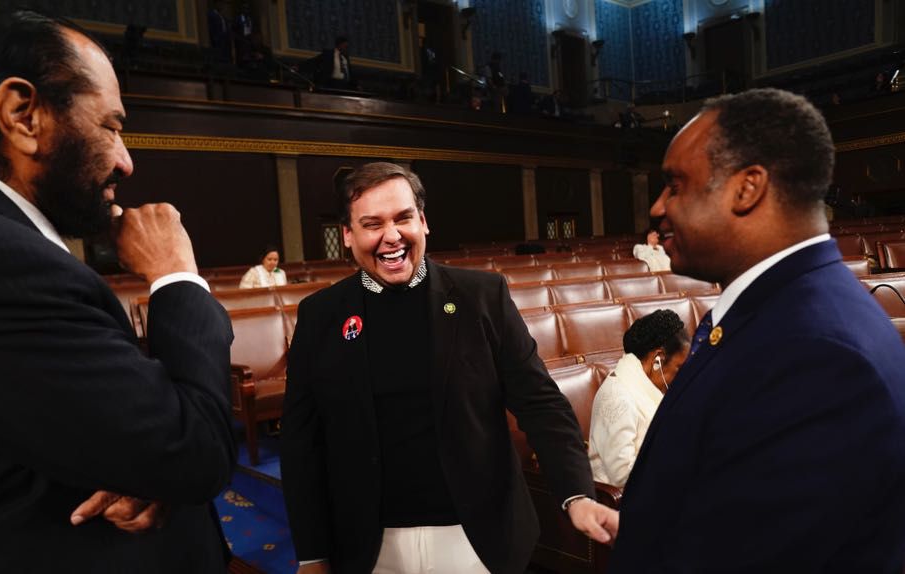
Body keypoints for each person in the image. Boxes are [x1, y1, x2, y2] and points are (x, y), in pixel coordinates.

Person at [0, 6, 237, 572]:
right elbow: (194, 454)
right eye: (111, 126)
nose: (125, 160)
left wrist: (132, 460)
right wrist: (177, 276)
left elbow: (28, 419)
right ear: (22, 114)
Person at [610, 88, 905, 571]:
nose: (658, 208)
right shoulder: (778, 308)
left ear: (747, 188)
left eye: (675, 185)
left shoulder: (815, 353)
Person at [281, 162, 617, 574]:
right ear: (348, 235)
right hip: (367, 544)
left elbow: (541, 404)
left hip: (476, 539)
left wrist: (575, 494)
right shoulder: (320, 316)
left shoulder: (481, 297)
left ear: (423, 222)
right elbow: (301, 446)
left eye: (403, 218)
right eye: (372, 224)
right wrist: (312, 554)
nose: (392, 236)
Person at [588, 310, 688, 488]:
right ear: (658, 358)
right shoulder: (617, 397)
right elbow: (622, 474)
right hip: (626, 503)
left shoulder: (650, 387)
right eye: (679, 368)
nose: (682, 377)